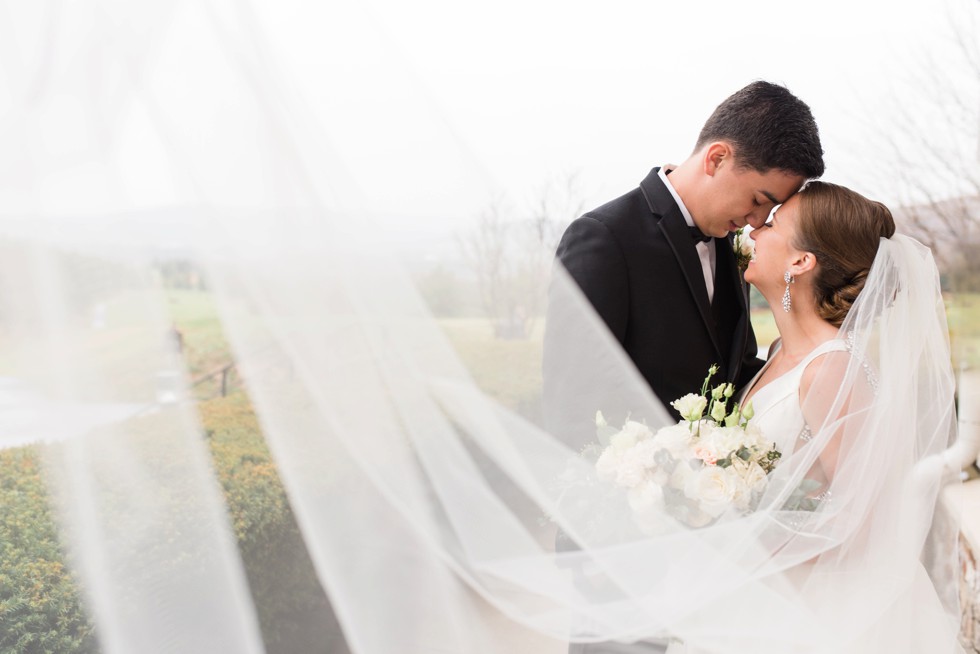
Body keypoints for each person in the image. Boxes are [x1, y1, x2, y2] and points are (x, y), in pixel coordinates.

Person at [543, 81, 825, 455]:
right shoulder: (604, 238)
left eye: (769, 212)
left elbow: (729, 369)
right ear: (717, 159)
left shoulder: (732, 243)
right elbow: (571, 402)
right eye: (758, 200)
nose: (757, 222)